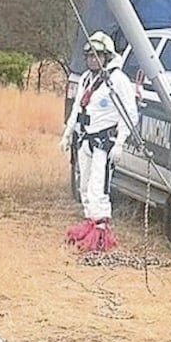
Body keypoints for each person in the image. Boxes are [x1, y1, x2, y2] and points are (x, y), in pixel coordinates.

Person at [60, 31, 137, 253]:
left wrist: (120, 142)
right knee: (84, 185)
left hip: (104, 142)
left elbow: (130, 114)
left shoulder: (118, 81)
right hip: (85, 138)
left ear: (106, 56)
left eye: (97, 56)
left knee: (98, 186)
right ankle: (89, 222)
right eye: (90, 56)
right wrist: (68, 133)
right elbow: (77, 108)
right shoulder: (86, 78)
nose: (93, 60)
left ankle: (101, 233)